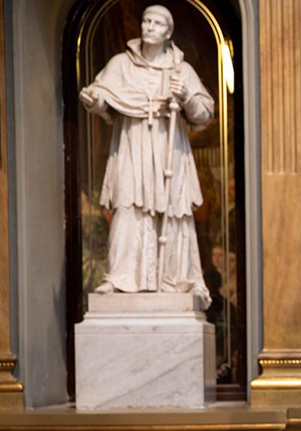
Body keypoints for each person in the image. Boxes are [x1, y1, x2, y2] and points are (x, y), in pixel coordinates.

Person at [79, 4, 213, 308]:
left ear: (168, 33)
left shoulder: (181, 70)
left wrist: (186, 97)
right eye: (146, 21)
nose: (149, 27)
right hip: (132, 145)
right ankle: (119, 277)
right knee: (127, 205)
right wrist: (94, 100)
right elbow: (102, 94)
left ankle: (175, 278)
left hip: (169, 150)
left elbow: (205, 112)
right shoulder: (120, 65)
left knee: (173, 210)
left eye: (156, 23)